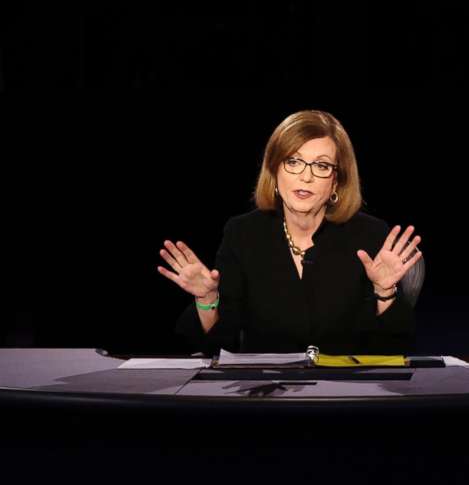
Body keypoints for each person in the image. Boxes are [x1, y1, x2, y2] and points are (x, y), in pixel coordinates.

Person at [156, 109, 424, 354]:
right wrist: (207, 299)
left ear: (336, 182)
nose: (305, 176)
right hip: (265, 396)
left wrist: (385, 291)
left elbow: (392, 352)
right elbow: (216, 349)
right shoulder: (243, 233)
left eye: (321, 166)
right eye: (293, 161)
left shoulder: (369, 234)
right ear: (274, 171)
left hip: (345, 396)